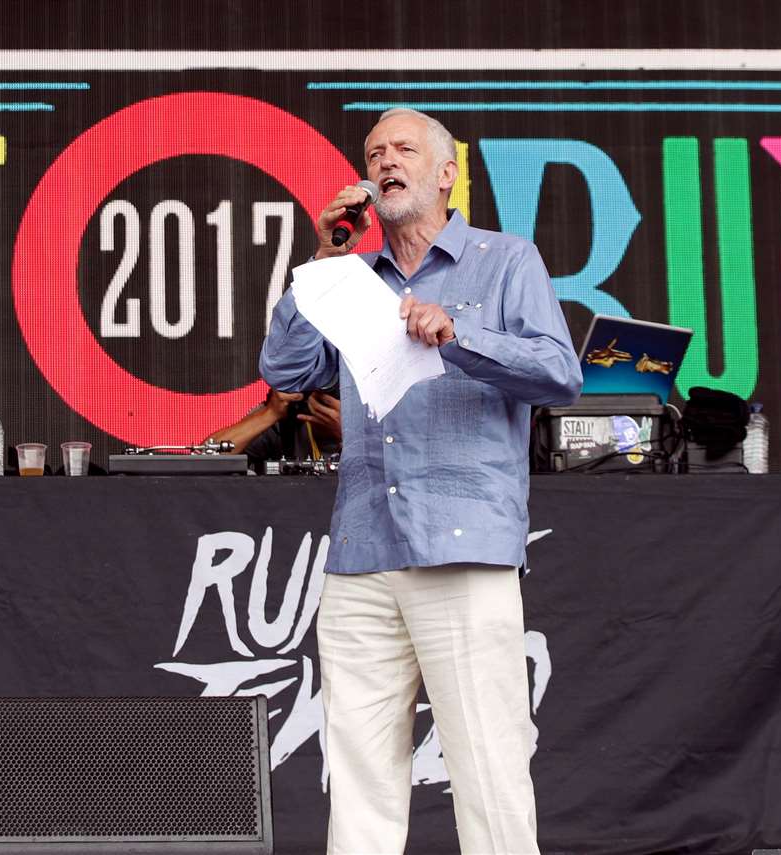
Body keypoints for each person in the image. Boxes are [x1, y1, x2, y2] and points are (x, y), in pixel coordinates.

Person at [260, 108, 581, 854]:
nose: (385, 161)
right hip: (363, 549)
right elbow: (283, 371)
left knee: (488, 768)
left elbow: (560, 374)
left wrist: (460, 335)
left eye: (404, 149)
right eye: (374, 153)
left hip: (462, 545)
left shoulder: (504, 260)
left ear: (446, 173)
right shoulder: (350, 279)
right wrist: (324, 257)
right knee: (361, 778)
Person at [203, 387, 342, 469]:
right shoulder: (288, 417)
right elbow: (203, 459)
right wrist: (271, 413)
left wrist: (349, 435)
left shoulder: (363, 421)